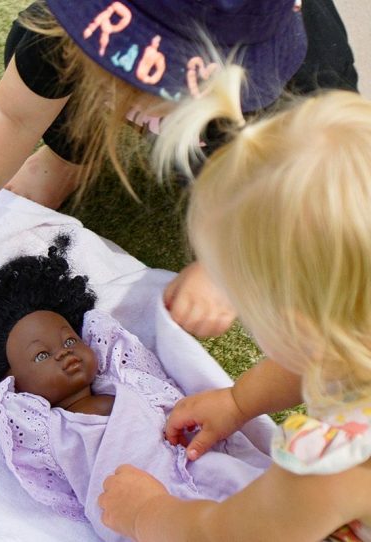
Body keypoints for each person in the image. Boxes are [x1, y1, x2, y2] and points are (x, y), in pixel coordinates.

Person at [0, 0, 357, 338]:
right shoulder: (68, 33)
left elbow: (297, 192)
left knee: (237, 170)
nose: (125, 99)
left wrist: (225, 268)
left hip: (255, 126)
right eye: (115, 73)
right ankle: (68, 154)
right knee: (50, 68)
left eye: (146, 85)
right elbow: (12, 115)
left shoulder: (291, 94)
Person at [98, 74, 371, 541]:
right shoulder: (351, 335)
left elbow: (225, 534)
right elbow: (320, 359)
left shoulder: (337, 462)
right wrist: (238, 401)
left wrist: (145, 512)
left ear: (297, 324)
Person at [0, 237, 271, 542]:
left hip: (205, 468)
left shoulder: (120, 380)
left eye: (69, 339)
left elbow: (129, 358)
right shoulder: (54, 431)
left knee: (264, 499)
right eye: (42, 355)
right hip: (146, 504)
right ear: (15, 384)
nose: (64, 352)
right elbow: (16, 426)